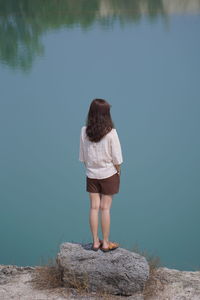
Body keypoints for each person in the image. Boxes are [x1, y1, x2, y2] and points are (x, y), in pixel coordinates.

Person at [79, 98, 123, 252]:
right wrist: (118, 171)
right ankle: (105, 243)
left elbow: (83, 158)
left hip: (91, 174)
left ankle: (95, 242)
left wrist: (92, 168)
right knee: (105, 209)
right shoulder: (111, 133)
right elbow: (117, 158)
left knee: (93, 207)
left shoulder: (84, 131)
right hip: (108, 174)